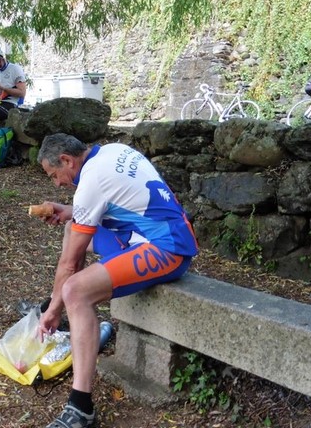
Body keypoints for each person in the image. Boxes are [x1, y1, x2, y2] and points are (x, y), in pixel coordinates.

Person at [33, 134, 198, 428]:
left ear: (67, 160)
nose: (57, 184)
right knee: (72, 229)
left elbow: (70, 264)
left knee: (75, 291)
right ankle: (71, 316)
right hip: (152, 232)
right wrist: (72, 211)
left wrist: (54, 309)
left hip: (168, 248)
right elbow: (119, 201)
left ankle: (81, 408)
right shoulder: (111, 151)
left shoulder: (91, 182)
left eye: (54, 175)